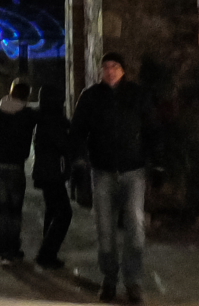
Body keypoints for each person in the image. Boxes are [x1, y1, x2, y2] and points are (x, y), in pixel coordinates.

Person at [72, 53, 155, 304]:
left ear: (123, 70)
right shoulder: (90, 97)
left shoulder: (137, 95)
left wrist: (155, 162)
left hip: (133, 171)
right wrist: (79, 159)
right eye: (106, 67)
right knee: (105, 230)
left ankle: (133, 282)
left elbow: (152, 128)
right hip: (103, 172)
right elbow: (77, 131)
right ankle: (109, 279)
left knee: (135, 229)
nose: (110, 71)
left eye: (115, 66)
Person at [0, 78, 39, 266]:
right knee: (15, 210)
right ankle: (13, 249)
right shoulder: (28, 115)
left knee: (2, 209)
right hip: (16, 166)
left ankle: (4, 251)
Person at [31, 84, 74, 269]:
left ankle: (48, 253)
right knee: (64, 213)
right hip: (51, 173)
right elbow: (63, 143)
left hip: (46, 171)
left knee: (52, 210)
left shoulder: (44, 118)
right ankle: (46, 252)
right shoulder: (52, 121)